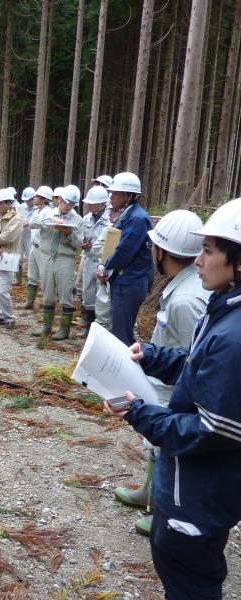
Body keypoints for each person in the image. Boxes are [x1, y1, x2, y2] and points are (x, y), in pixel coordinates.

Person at [103, 198, 241, 600]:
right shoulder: (224, 310)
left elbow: (213, 430)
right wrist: (155, 357)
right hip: (190, 483)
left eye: (209, 250)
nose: (197, 260)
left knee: (187, 576)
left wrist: (139, 412)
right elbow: (198, 368)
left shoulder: (233, 335)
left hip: (196, 491)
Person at [114, 209, 210, 536]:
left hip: (174, 391)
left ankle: (163, 510)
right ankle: (150, 494)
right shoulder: (184, 287)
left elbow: (190, 361)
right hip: (163, 381)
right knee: (154, 444)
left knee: (166, 446)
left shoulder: (187, 300)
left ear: (161, 252)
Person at [97, 172, 153, 345]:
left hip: (130, 281)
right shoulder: (129, 214)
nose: (111, 197)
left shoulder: (137, 219)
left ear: (128, 196)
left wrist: (105, 267)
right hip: (125, 280)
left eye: (116, 193)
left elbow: (124, 251)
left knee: (122, 334)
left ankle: (121, 369)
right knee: (120, 329)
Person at [35, 185, 83, 340]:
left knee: (66, 293)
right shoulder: (48, 212)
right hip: (47, 256)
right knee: (47, 293)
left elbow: (79, 245)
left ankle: (64, 329)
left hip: (65, 258)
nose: (68, 206)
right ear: (60, 199)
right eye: (67, 202)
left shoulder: (77, 220)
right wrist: (48, 221)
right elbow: (32, 222)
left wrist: (69, 233)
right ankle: (47, 327)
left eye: (72, 204)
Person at [0, 189, 23, 329]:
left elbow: (9, 237)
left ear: (7, 204)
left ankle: (9, 317)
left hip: (8, 257)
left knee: (2, 291)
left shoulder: (17, 219)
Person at [77, 186, 111, 335]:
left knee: (101, 295)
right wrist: (83, 244)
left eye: (92, 203)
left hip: (103, 263)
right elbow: (80, 237)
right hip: (89, 259)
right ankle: (87, 324)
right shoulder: (86, 219)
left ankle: (98, 328)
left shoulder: (110, 220)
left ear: (102, 204)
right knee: (88, 293)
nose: (89, 205)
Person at [24, 185, 55, 310]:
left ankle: (48, 301)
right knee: (32, 275)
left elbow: (40, 225)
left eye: (37, 196)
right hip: (34, 246)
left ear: (43, 199)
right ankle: (29, 301)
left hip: (44, 249)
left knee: (45, 276)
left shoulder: (49, 212)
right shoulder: (37, 211)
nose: (34, 198)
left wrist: (30, 223)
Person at [16, 187, 35, 286]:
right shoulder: (20, 207)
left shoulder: (37, 209)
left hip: (31, 236)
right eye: (26, 200)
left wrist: (29, 223)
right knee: (18, 257)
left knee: (30, 258)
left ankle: (31, 280)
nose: (27, 202)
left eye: (29, 200)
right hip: (21, 234)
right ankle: (18, 279)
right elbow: (16, 217)